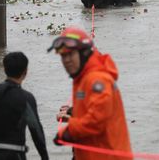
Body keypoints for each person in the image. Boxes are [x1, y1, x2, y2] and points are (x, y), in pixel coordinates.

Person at [48, 27, 131, 160]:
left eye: (70, 54)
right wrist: (72, 112)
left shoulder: (96, 79)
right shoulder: (83, 78)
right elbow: (93, 109)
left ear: (84, 53)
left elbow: (97, 121)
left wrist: (68, 132)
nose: (67, 60)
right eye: (63, 56)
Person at [0, 52, 49, 160]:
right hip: (15, 154)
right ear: (25, 72)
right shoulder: (26, 98)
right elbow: (36, 130)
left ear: (4, 69)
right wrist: (45, 157)